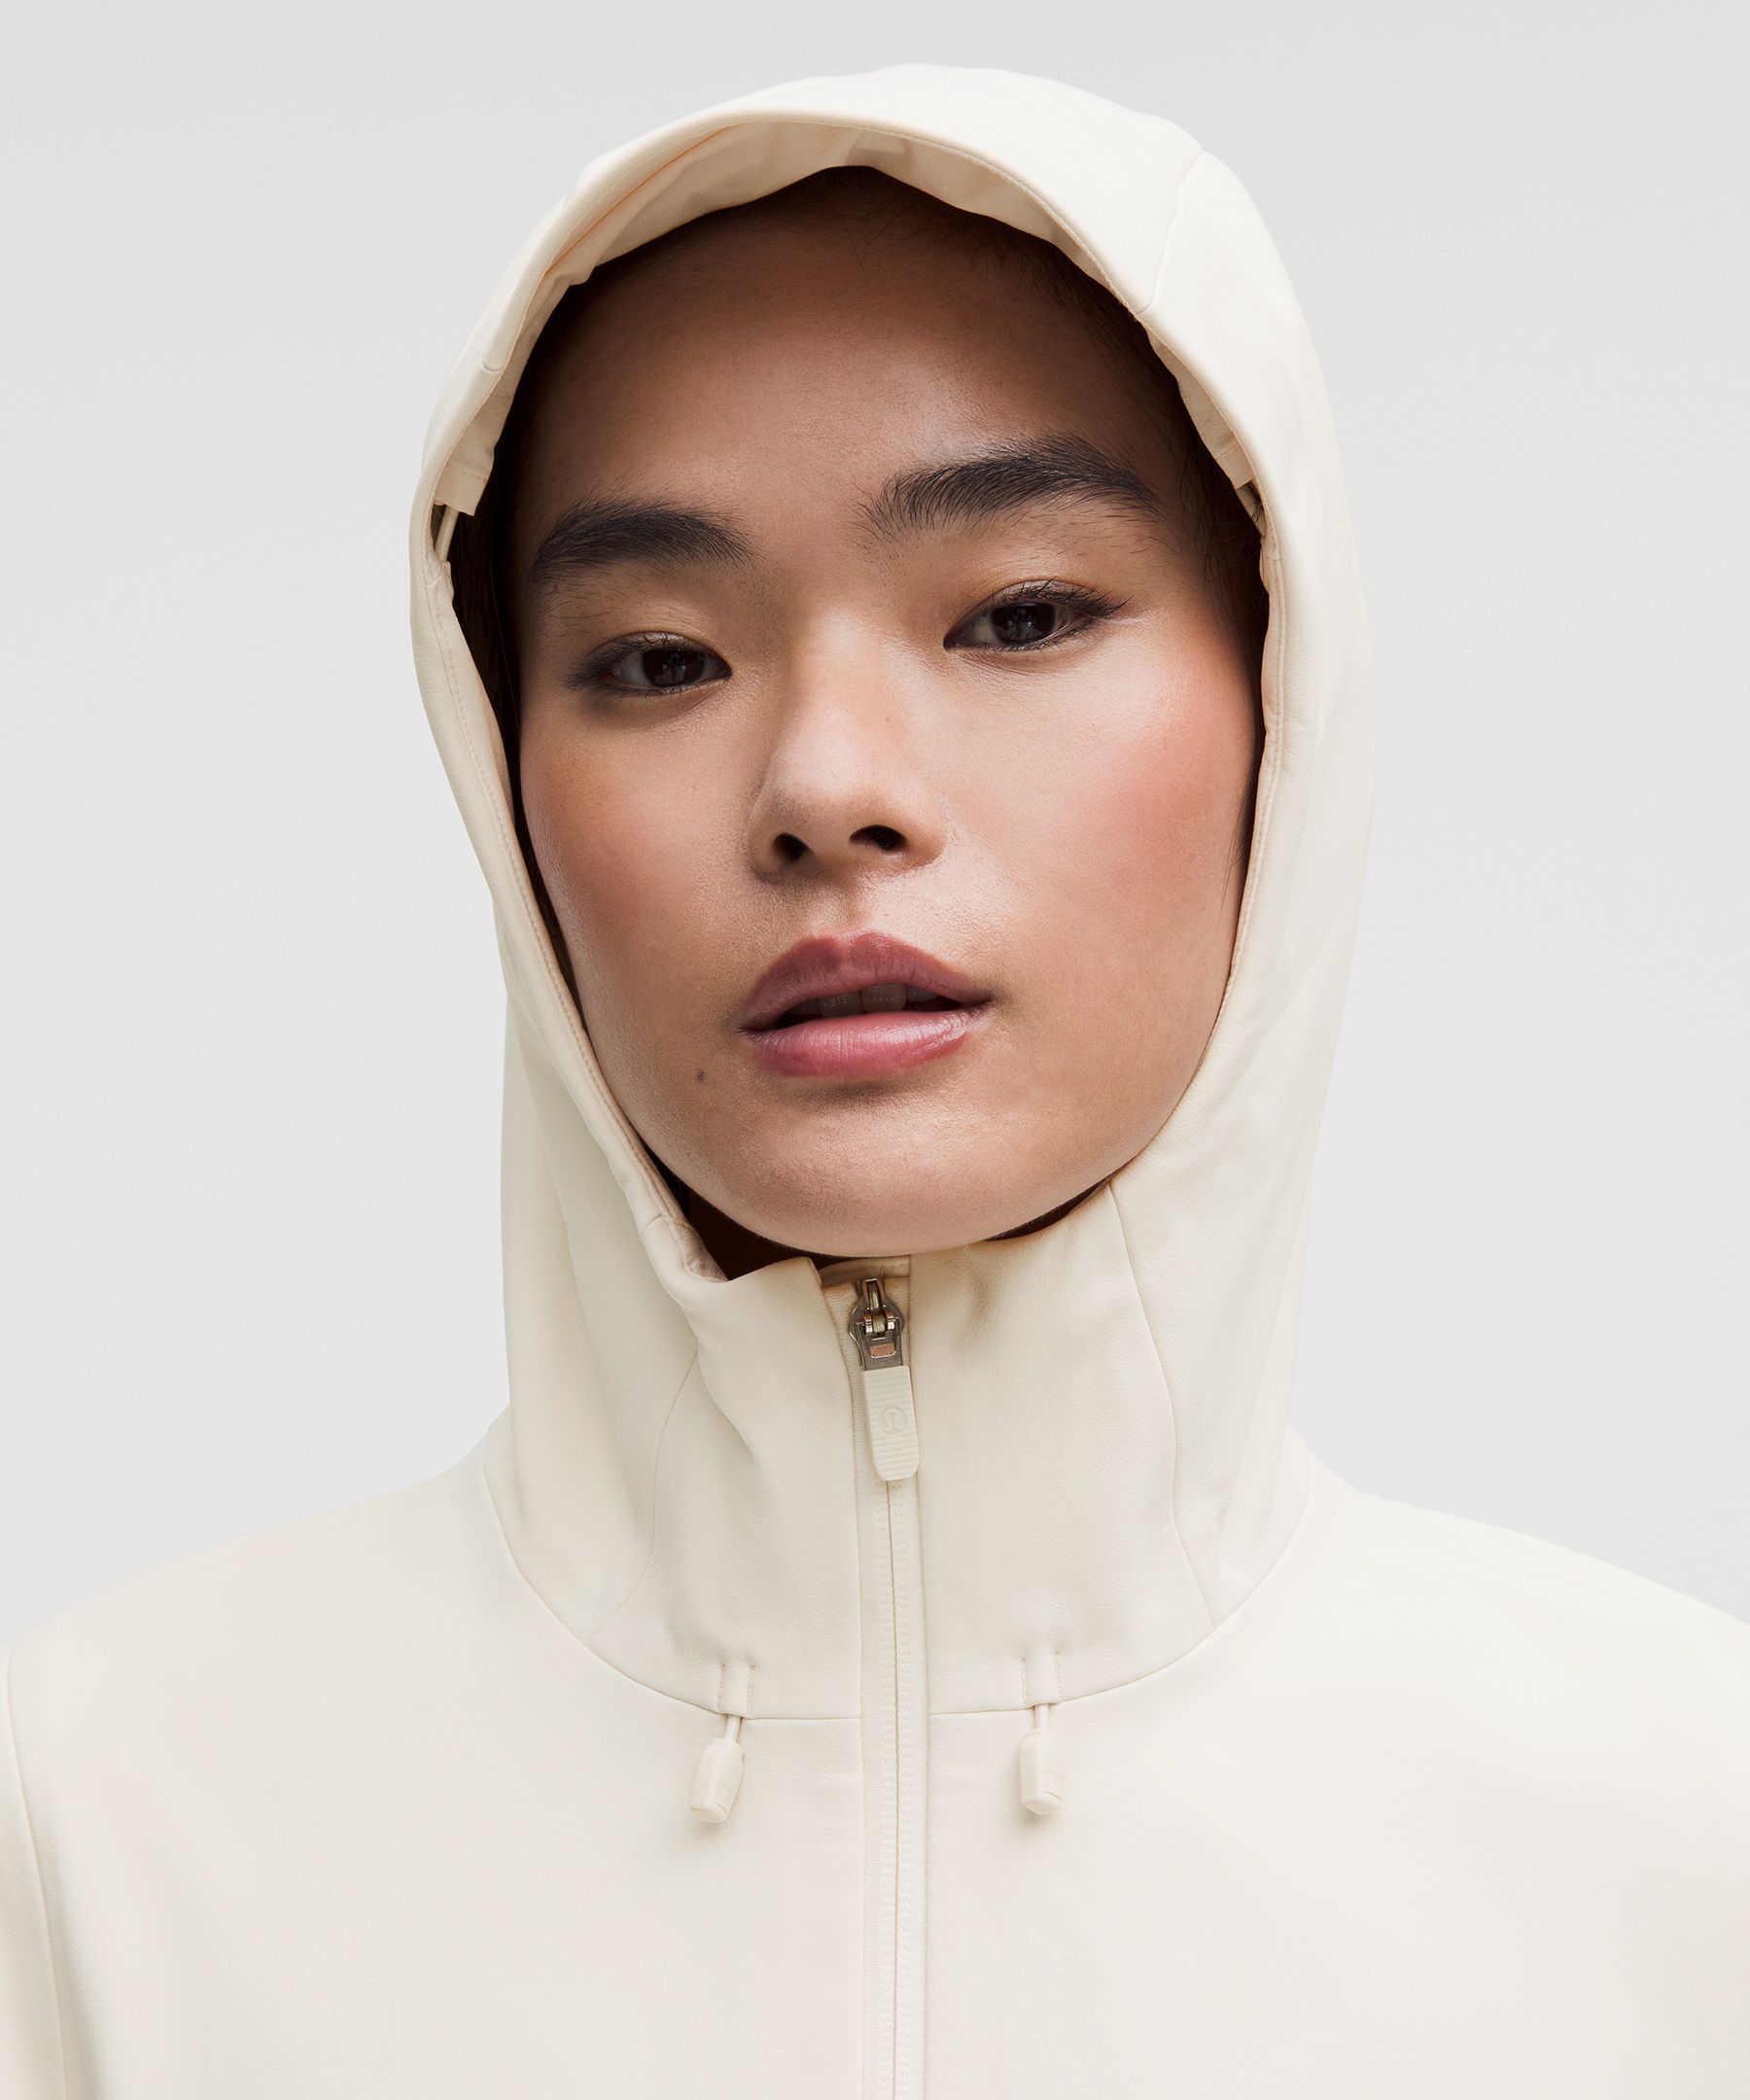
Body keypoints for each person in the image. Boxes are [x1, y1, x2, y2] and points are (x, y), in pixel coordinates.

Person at [2, 62, 1745, 2098]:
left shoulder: (1684, 1838)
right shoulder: (95, 1819)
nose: (828, 785)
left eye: (1020, 613)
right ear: (504, 773)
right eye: (659, 658)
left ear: (1289, 697)